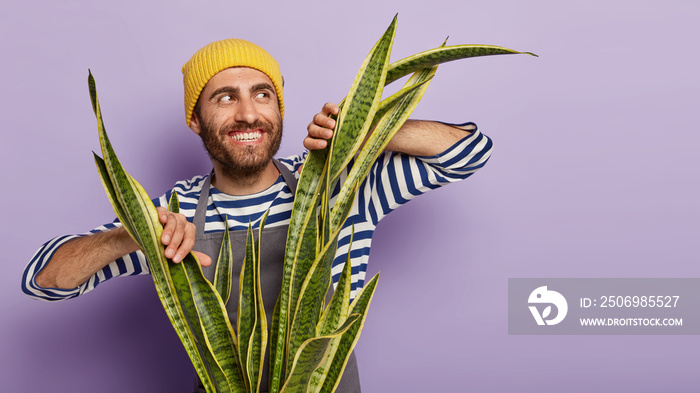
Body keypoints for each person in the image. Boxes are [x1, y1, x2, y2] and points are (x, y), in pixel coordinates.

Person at [21, 39, 493, 392]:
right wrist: (132, 234)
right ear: (195, 119)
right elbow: (43, 281)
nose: (248, 113)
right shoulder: (175, 211)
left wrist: (369, 128)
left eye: (262, 94)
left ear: (279, 106)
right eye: (225, 97)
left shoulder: (338, 188)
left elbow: (470, 151)